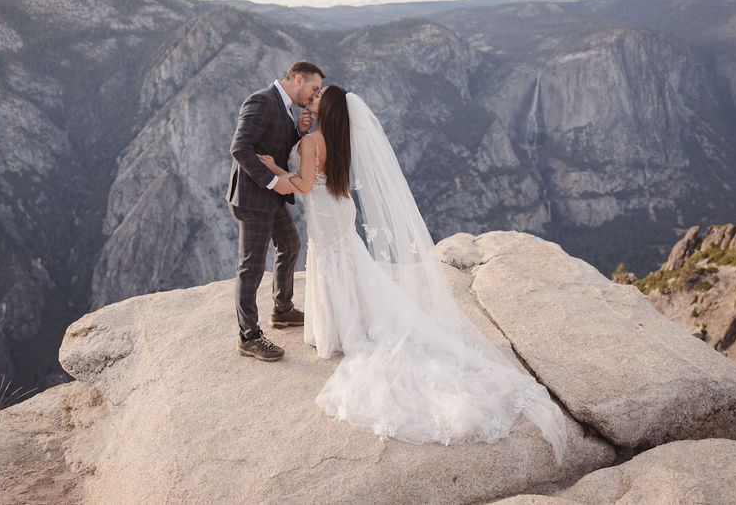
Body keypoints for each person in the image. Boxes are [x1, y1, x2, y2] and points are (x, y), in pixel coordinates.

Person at [257, 85, 567, 460]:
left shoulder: (312, 142)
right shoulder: (339, 138)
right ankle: (345, 320)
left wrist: (274, 170)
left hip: (324, 215)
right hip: (338, 211)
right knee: (344, 261)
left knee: (332, 262)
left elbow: (305, 185)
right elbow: (322, 176)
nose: (314, 96)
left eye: (320, 96)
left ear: (330, 109)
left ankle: (339, 327)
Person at [227, 61, 324, 361]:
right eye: (314, 88)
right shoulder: (261, 100)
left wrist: (297, 131)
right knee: (252, 267)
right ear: (298, 79)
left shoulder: (285, 107)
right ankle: (249, 337)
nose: (314, 95)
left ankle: (282, 311)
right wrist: (273, 182)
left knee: (290, 244)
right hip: (254, 199)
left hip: (270, 197)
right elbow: (240, 148)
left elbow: (274, 147)